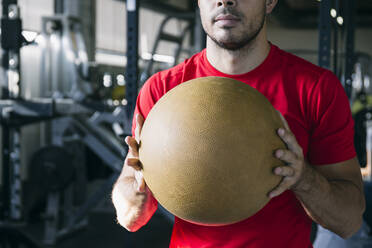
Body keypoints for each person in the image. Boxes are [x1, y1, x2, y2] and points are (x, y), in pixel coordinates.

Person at [111, 0, 366, 247]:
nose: (225, 1)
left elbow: (349, 221)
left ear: (270, 2)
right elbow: (130, 214)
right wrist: (136, 197)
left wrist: (303, 178)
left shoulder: (316, 89)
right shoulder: (162, 91)